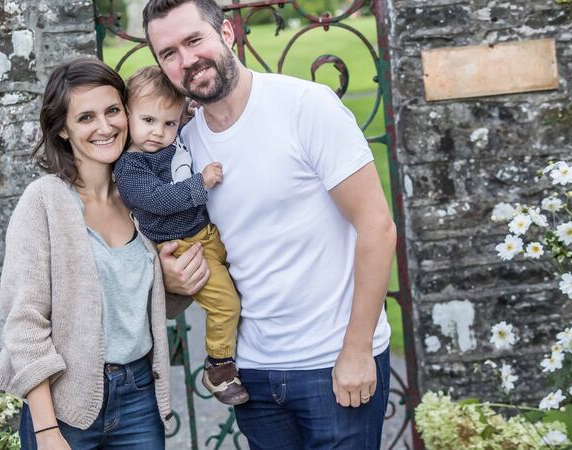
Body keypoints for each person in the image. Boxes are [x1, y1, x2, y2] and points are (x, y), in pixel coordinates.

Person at [142, 0, 397, 448]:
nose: (186, 60)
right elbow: (187, 262)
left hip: (333, 363)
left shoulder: (304, 106)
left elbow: (377, 227)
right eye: (169, 53)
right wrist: (172, 279)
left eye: (193, 40)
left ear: (226, 33)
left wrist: (357, 351)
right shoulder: (180, 145)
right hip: (253, 375)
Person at [0, 57, 173, 450]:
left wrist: (179, 285)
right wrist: (46, 430)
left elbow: (141, 306)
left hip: (140, 395)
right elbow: (25, 323)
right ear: (62, 130)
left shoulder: (144, 200)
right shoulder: (44, 202)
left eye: (112, 111)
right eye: (86, 117)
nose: (105, 127)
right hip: (64, 405)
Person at [113, 66, 248, 406]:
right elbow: (156, 200)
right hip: (186, 247)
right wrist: (199, 184)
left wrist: (188, 113)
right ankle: (219, 368)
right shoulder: (130, 167)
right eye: (148, 121)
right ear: (128, 115)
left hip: (209, 234)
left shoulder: (171, 138)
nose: (158, 132)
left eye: (168, 123)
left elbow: (184, 119)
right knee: (225, 304)